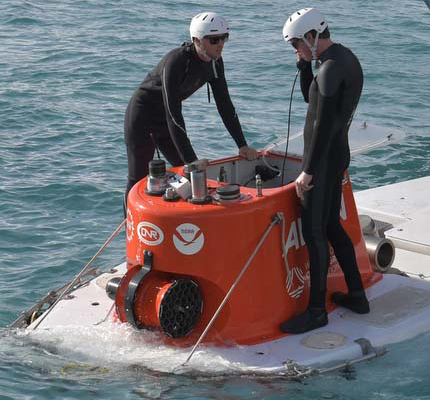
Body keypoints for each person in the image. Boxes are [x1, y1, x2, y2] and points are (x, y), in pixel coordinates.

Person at [279, 8, 369, 334]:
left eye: (297, 45)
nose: (296, 51)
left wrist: (307, 172)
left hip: (323, 159)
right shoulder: (344, 60)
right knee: (331, 225)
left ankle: (317, 311)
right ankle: (357, 294)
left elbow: (323, 126)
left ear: (312, 37)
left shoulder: (330, 71)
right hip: (336, 157)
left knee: (314, 233)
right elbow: (311, 100)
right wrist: (305, 68)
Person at [123, 12, 257, 207]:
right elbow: (174, 113)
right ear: (197, 40)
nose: (221, 44)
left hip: (167, 121)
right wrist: (192, 160)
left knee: (185, 174)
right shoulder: (176, 61)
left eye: (224, 38)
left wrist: (242, 145)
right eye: (214, 39)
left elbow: (225, 105)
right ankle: (130, 226)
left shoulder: (215, 62)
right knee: (138, 178)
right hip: (142, 116)